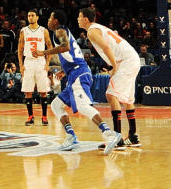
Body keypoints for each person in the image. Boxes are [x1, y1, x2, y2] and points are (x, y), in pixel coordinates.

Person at [47, 15, 119, 153]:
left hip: (79, 73)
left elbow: (65, 47)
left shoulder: (60, 31)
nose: (48, 21)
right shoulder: (63, 31)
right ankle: (71, 136)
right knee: (56, 105)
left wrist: (43, 52)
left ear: (56, 20)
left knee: (82, 106)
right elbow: (73, 53)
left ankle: (109, 133)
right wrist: (64, 70)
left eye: (50, 18)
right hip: (74, 73)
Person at [78, 5, 143, 150]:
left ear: (86, 19)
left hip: (125, 61)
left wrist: (114, 67)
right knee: (127, 100)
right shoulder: (99, 27)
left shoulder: (91, 31)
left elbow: (107, 47)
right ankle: (133, 136)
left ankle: (117, 138)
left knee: (111, 95)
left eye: (79, 16)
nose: (77, 19)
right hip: (132, 58)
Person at [18, 10, 52, 127]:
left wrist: (47, 63)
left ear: (37, 17)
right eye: (28, 15)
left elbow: (50, 46)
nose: (30, 17)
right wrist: (21, 65)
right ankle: (30, 116)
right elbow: (20, 49)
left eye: (32, 15)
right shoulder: (24, 31)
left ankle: (44, 116)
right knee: (28, 91)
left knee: (43, 91)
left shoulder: (44, 31)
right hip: (28, 61)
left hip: (40, 61)